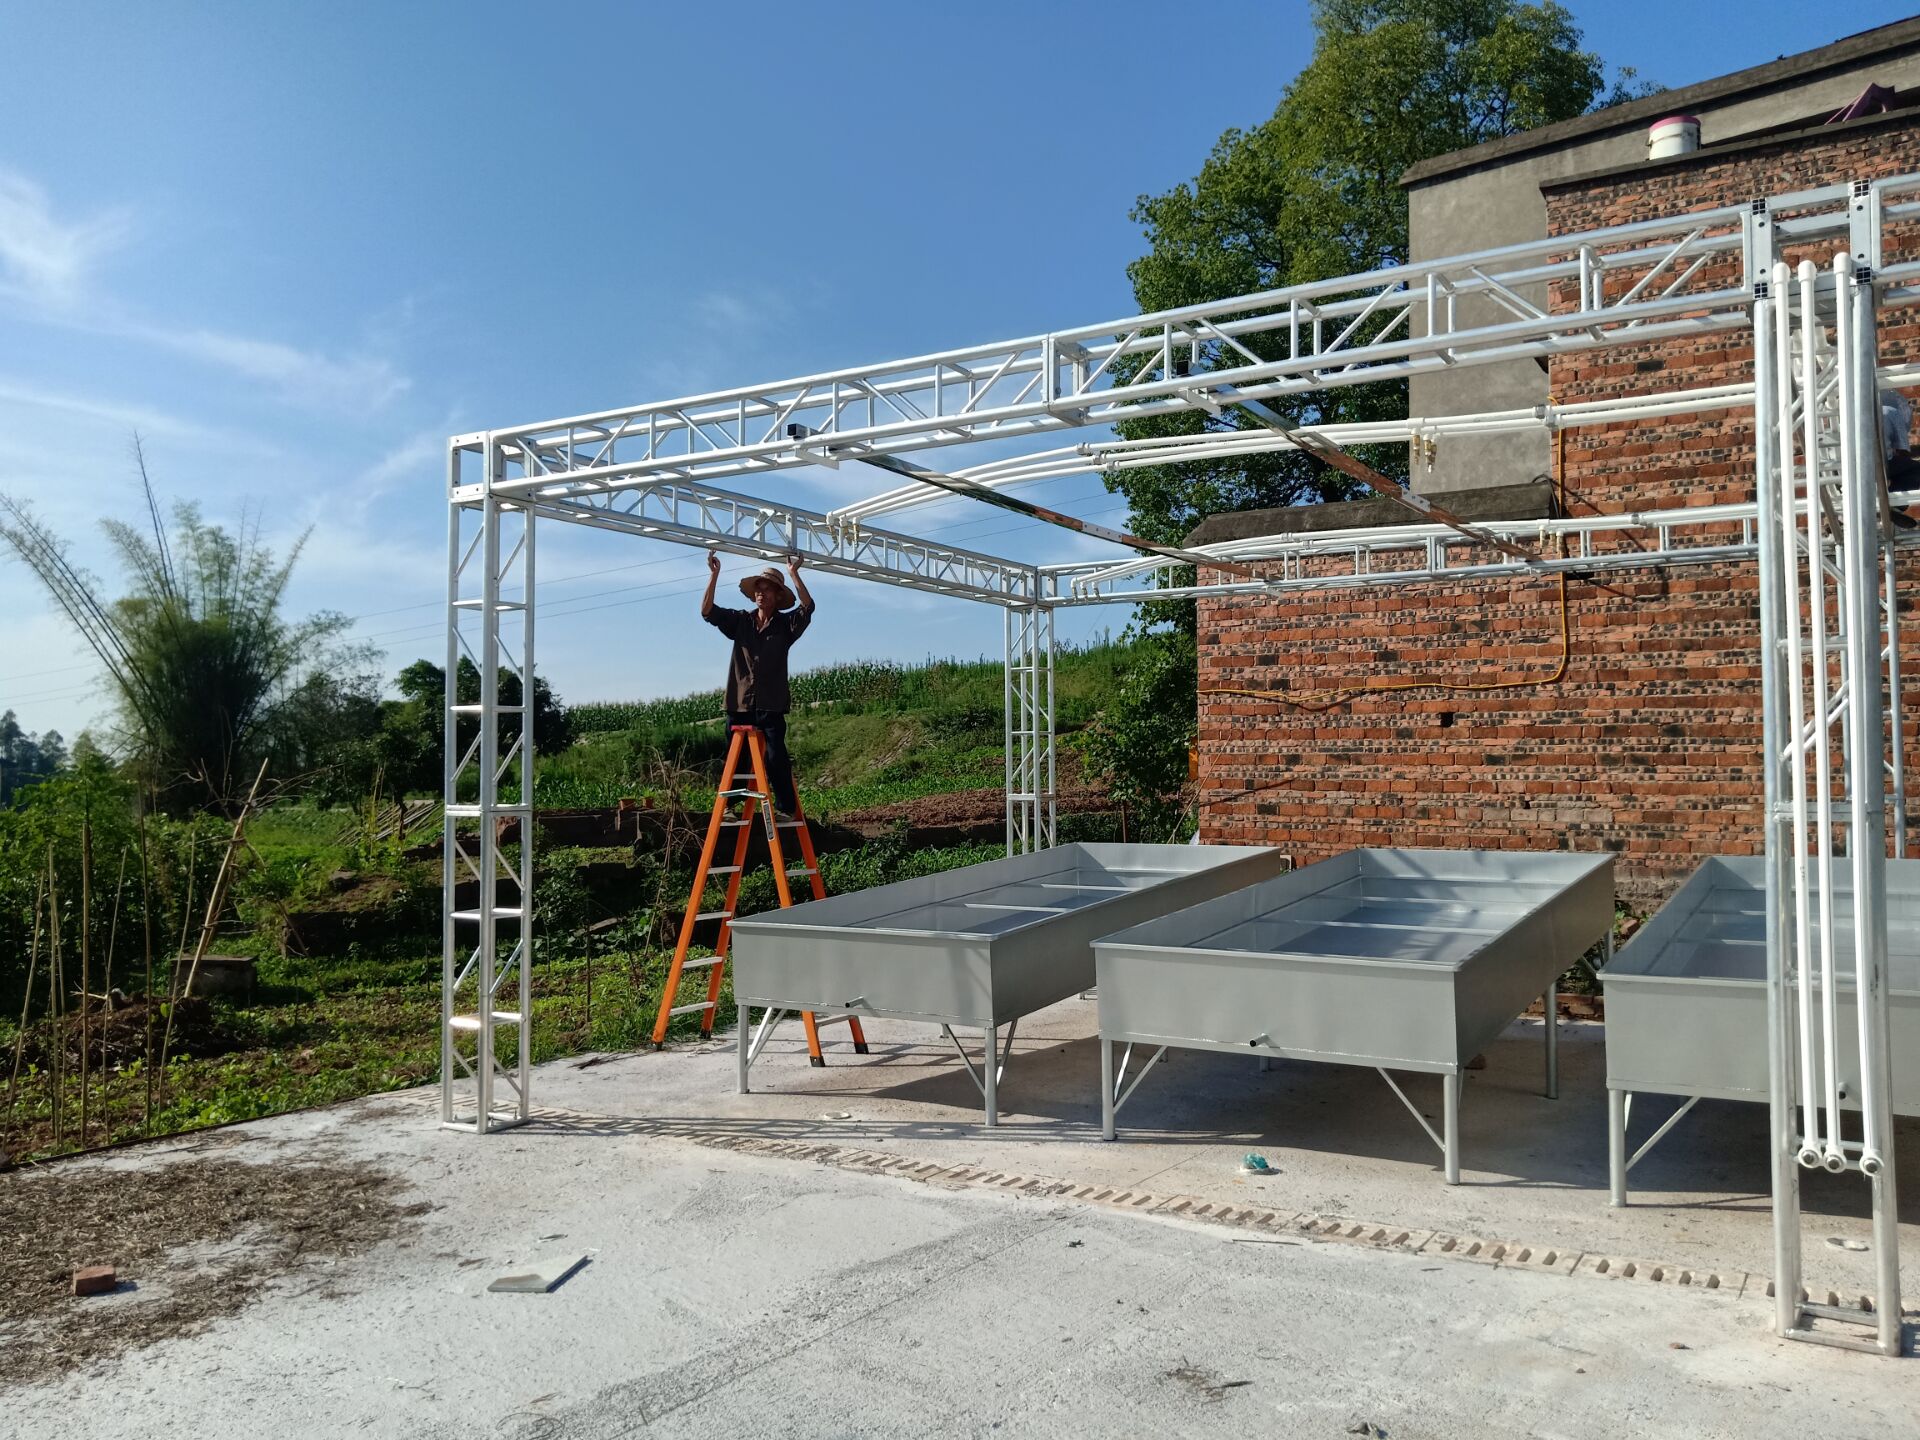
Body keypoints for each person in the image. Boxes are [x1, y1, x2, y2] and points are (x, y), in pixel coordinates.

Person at [700, 551, 814, 813]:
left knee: (776, 758)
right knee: (736, 760)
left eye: (767, 589)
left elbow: (808, 608)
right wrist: (714, 575)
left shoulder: (785, 626)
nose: (761, 593)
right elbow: (707, 611)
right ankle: (730, 806)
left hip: (771, 705)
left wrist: (794, 573)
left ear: (777, 596)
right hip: (740, 702)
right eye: (758, 589)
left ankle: (785, 809)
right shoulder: (741, 621)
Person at [1880, 388, 1919, 529]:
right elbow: (1902, 450)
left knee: (1904, 469)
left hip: (1863, 464)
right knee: (1916, 471)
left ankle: (1893, 500)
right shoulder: (1894, 412)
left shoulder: (1875, 410)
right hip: (1882, 463)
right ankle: (1896, 501)